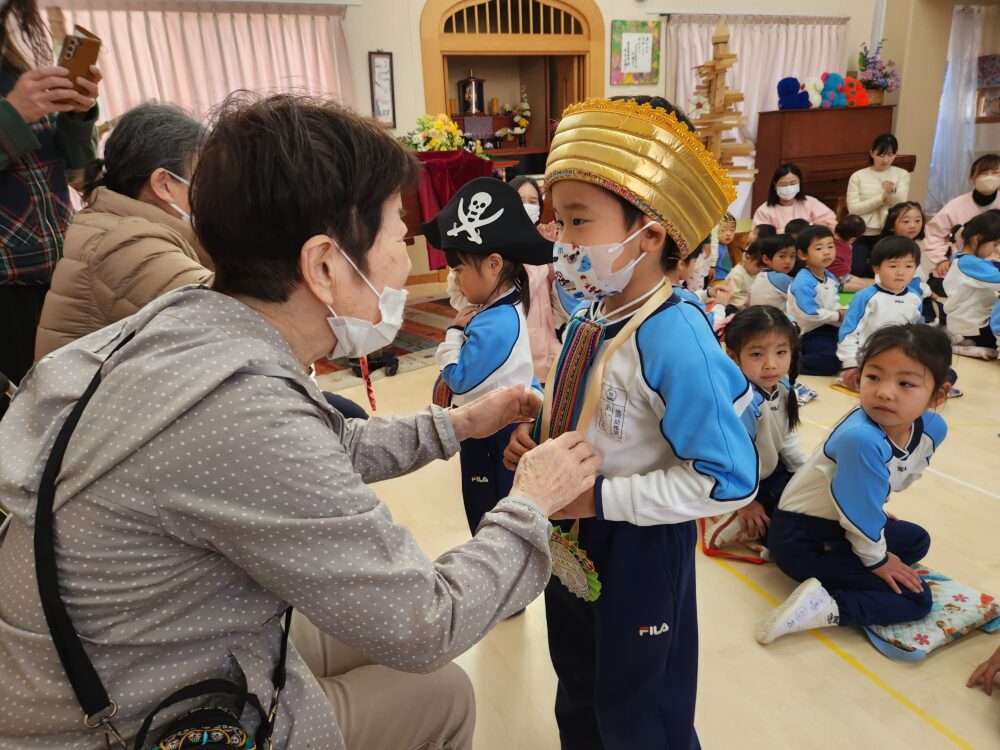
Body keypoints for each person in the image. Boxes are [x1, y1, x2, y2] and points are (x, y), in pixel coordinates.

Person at [0, 94, 604, 749]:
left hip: (103, 656)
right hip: (123, 717)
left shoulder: (190, 322)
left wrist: (456, 425)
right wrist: (532, 502)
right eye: (398, 237)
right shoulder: (242, 410)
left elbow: (326, 442)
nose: (408, 260)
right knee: (443, 692)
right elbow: (427, 621)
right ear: (323, 265)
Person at [505, 95, 759, 750]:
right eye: (556, 221)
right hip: (571, 532)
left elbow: (730, 481)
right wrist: (542, 431)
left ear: (648, 234)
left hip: (641, 549)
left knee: (641, 710)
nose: (559, 241)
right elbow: (598, 413)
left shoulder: (679, 339)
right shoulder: (594, 312)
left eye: (578, 221)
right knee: (581, 683)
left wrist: (606, 495)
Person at [756, 324, 951, 644]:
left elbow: (878, 486)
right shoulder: (862, 437)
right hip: (800, 537)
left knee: (917, 540)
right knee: (916, 599)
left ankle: (828, 569)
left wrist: (870, 512)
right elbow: (860, 511)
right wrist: (879, 560)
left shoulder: (932, 427)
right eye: (874, 377)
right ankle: (826, 607)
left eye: (905, 383)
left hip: (831, 524)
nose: (885, 392)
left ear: (937, 396)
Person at [34, 103, 211, 359]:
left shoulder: (116, 223)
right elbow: (236, 313)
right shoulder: (128, 245)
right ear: (164, 185)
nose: (217, 193)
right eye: (207, 179)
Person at [429, 177, 549, 536]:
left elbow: (459, 377)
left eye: (460, 269)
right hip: (495, 425)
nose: (455, 278)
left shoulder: (495, 321)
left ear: (494, 264)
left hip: (492, 435)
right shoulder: (502, 304)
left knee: (488, 518)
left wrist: (452, 333)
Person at [0, 0, 102, 385]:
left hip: (59, 267)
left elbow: (76, 164)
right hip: (8, 288)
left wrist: (77, 113)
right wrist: (14, 114)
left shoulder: (14, 64)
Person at [706, 306, 807, 550]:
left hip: (767, 471)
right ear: (732, 356)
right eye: (757, 354)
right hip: (735, 478)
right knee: (785, 532)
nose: (771, 364)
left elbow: (786, 436)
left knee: (808, 510)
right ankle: (728, 513)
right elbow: (725, 459)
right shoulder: (741, 400)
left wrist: (805, 474)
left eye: (781, 352)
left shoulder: (783, 386)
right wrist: (744, 502)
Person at [447, 174, 563, 382]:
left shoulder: (544, 239)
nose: (527, 206)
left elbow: (558, 291)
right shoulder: (491, 244)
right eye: (520, 201)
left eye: (533, 201)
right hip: (514, 344)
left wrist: (552, 255)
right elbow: (516, 290)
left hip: (547, 343)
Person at [837, 237, 923, 391]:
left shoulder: (915, 298)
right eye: (893, 266)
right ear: (876, 268)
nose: (901, 272)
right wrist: (850, 364)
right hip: (868, 357)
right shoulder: (866, 297)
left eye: (909, 266)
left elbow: (917, 334)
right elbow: (849, 332)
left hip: (900, 357)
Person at [924, 154, 1000, 279]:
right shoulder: (956, 205)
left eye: (995, 172)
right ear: (972, 177)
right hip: (960, 262)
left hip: (995, 264)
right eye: (984, 172)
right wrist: (941, 260)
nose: (989, 177)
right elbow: (933, 233)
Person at [846, 133, 911, 269]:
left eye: (891, 155)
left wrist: (893, 192)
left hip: (888, 231)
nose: (886, 160)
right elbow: (854, 209)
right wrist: (882, 198)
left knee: (882, 268)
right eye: (881, 155)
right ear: (872, 153)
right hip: (862, 231)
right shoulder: (858, 176)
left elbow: (901, 204)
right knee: (857, 269)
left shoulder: (902, 174)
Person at [942, 210, 1000, 358]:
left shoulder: (962, 258)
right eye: (994, 244)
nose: (995, 250)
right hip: (974, 328)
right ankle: (962, 346)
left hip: (966, 325)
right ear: (978, 239)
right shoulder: (969, 263)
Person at [787, 225, 844, 375]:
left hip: (829, 325)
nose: (826, 252)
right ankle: (789, 363)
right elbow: (810, 313)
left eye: (830, 246)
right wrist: (838, 315)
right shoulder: (803, 282)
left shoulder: (829, 276)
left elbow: (834, 302)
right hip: (809, 332)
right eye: (819, 248)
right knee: (829, 360)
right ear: (803, 254)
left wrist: (843, 312)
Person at [753, 164, 836, 231]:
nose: (788, 188)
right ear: (775, 185)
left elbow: (831, 223)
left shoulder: (810, 202)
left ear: (799, 183)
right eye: (783, 184)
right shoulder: (764, 210)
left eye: (793, 184)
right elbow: (762, 237)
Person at [748, 234, 796, 309]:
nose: (788, 261)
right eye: (782, 256)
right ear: (766, 259)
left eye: (792, 256)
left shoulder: (762, 274)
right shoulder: (780, 278)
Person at [832, 214, 874, 289]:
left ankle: (834, 286)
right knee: (864, 286)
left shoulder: (828, 240)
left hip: (829, 276)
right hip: (839, 278)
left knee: (863, 284)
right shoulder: (846, 248)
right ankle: (836, 287)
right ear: (852, 239)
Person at [724, 239, 763, 310]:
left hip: (751, 305)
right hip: (736, 307)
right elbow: (733, 297)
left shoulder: (757, 272)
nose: (760, 270)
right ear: (747, 257)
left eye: (763, 267)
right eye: (758, 267)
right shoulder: (736, 274)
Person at [713, 212, 737, 280]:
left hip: (727, 277)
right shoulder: (715, 248)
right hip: (718, 279)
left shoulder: (724, 245)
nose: (728, 234)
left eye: (732, 230)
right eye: (723, 230)